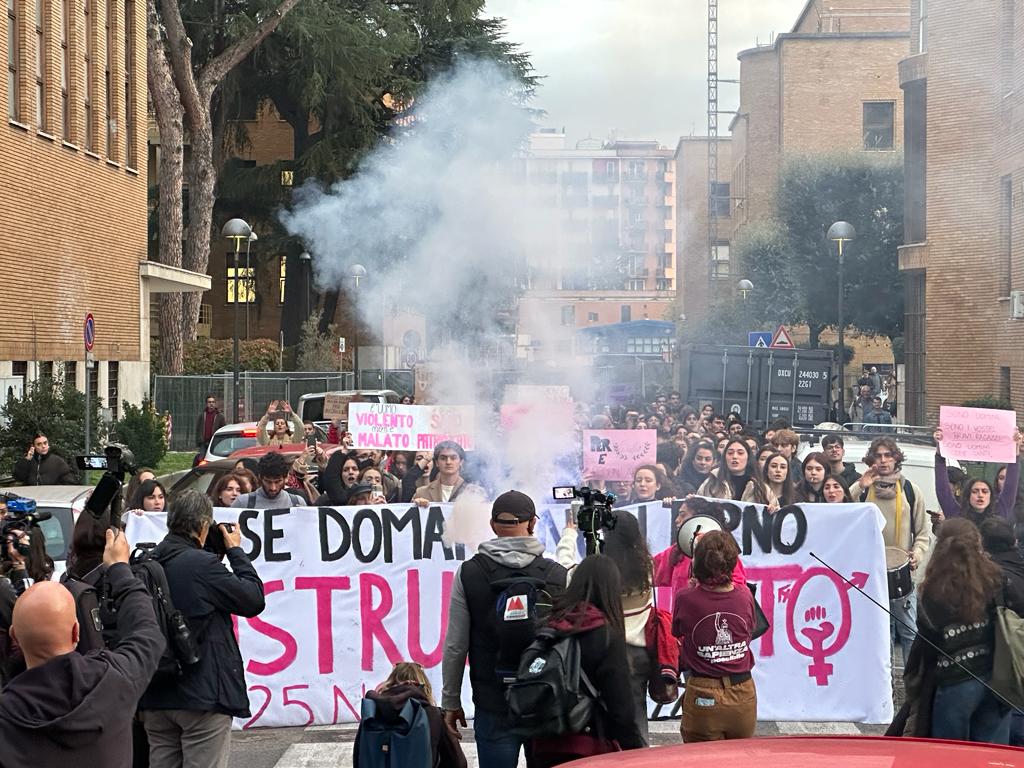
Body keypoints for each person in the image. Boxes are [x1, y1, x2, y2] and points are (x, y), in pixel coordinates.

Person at [0, 528, 164, 766]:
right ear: (76, 632)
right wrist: (120, 570)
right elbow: (147, 633)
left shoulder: (6, 717)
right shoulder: (114, 679)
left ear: (15, 636)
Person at [441, 491, 569, 768]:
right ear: (532, 524)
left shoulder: (469, 573)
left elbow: (455, 645)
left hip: (493, 699)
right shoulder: (557, 575)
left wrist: (450, 701)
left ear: (492, 525)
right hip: (545, 699)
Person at [139, 490, 265, 768]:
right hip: (202, 693)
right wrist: (235, 551)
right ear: (203, 526)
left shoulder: (145, 563)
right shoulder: (201, 565)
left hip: (156, 694)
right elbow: (253, 599)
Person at [526, 555, 645, 766]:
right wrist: (635, 751)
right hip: (589, 749)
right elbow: (621, 708)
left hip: (544, 745)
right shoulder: (605, 633)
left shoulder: (548, 624)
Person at [555, 510, 655, 746]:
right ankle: (639, 755)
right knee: (634, 711)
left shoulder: (597, 570)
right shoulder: (647, 568)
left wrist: (569, 536)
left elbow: (566, 570)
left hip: (601, 646)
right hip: (638, 652)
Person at [916, 518, 1009, 743]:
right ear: (978, 542)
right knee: (992, 757)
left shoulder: (933, 589)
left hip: (954, 681)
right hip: (996, 679)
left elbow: (928, 639)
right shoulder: (994, 576)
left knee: (951, 755)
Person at [672, 530, 757, 743]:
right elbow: (750, 629)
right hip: (743, 691)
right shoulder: (745, 594)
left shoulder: (686, 598)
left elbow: (677, 631)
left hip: (703, 691)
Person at [859, 437, 929, 665]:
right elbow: (842, 514)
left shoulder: (911, 490)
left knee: (909, 632)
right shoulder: (861, 489)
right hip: (871, 575)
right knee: (881, 635)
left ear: (896, 458)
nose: (883, 460)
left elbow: (922, 533)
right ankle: (885, 686)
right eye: (878, 456)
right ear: (871, 460)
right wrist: (861, 486)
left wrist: (916, 555)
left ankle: (910, 686)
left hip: (902, 576)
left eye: (888, 455)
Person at [354, 662, 467, 768]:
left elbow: (358, 758)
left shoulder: (372, 712)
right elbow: (458, 763)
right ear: (424, 686)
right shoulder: (432, 714)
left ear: (390, 683)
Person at [932, 428, 1021, 527]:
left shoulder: (1000, 513)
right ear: (967, 496)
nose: (980, 495)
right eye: (975, 491)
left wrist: (1015, 449)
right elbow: (942, 489)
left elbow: (1010, 487)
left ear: (991, 496)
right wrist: (940, 451)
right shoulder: (956, 515)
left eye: (984, 491)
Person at [406, 441, 483, 506]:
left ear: (461, 462)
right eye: (443, 458)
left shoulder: (475, 492)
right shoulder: (422, 492)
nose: (448, 462)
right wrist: (415, 506)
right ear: (436, 462)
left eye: (453, 458)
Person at [232, 452, 305, 509]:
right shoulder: (242, 502)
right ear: (260, 477)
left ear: (286, 478)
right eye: (268, 481)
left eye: (278, 482)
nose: (273, 488)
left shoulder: (298, 503)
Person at [12, 433, 77, 485]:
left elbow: (69, 482)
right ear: (33, 447)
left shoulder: (58, 461)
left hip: (50, 498)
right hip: (31, 497)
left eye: (45, 443)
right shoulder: (28, 461)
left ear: (48, 445)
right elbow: (18, 478)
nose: (43, 446)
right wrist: (27, 460)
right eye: (39, 444)